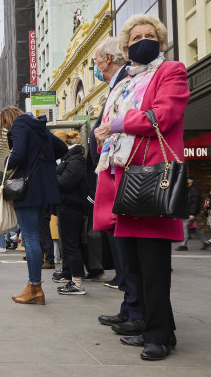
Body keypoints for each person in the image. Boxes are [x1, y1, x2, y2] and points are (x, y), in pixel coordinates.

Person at [93, 14, 189, 360]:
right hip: (125, 179)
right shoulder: (123, 83)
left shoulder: (171, 71)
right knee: (134, 265)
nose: (143, 40)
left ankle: (159, 336)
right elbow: (107, 123)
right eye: (136, 36)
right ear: (126, 45)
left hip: (151, 178)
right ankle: (157, 326)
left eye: (150, 35)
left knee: (154, 266)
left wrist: (118, 123)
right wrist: (104, 131)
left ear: (160, 43)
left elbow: (162, 116)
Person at [89, 37, 145, 336]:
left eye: (96, 62)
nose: (96, 67)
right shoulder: (115, 84)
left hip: (123, 171)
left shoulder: (127, 80)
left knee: (126, 245)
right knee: (120, 244)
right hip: (110, 171)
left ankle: (136, 310)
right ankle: (129, 307)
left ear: (107, 60)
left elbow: (122, 121)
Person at [0, 106, 67, 305]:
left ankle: (35, 288)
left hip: (27, 189)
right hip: (44, 189)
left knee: (29, 238)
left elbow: (17, 156)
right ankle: (34, 287)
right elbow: (62, 149)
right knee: (34, 237)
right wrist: (42, 159)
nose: (6, 130)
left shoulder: (19, 125)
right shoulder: (39, 127)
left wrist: (6, 161)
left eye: (5, 126)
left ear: (9, 119)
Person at [52, 130, 88, 295]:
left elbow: (66, 182)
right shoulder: (70, 159)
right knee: (68, 244)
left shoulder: (76, 160)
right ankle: (72, 277)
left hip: (71, 207)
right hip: (66, 206)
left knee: (72, 245)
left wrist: (50, 179)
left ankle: (77, 283)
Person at [176, 176, 210, 251]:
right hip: (186, 212)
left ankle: (184, 245)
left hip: (190, 213)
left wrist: (192, 214)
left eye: (187, 179)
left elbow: (195, 203)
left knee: (184, 227)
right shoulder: (186, 190)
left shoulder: (194, 190)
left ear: (191, 180)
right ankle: (206, 242)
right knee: (193, 229)